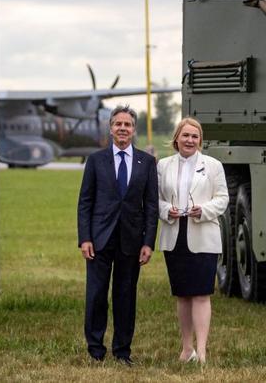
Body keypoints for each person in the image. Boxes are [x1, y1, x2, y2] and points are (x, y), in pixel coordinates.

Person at [77, 105, 158, 365]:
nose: (123, 128)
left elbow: (152, 206)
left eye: (128, 124)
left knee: (125, 296)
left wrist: (148, 242)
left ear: (134, 130)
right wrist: (85, 238)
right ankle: (95, 350)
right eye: (118, 124)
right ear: (110, 128)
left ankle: (122, 351)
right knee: (97, 294)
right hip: (99, 239)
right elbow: (85, 202)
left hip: (132, 241)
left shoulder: (146, 162)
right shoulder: (96, 160)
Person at [157, 117, 227, 364]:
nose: (190, 140)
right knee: (183, 295)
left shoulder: (213, 165)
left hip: (203, 234)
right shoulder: (163, 166)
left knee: (201, 294)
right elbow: (155, 199)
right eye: (185, 135)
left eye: (195, 136)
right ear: (177, 138)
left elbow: (222, 198)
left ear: (200, 140)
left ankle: (203, 351)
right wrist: (167, 210)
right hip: (175, 235)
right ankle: (187, 349)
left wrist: (203, 210)